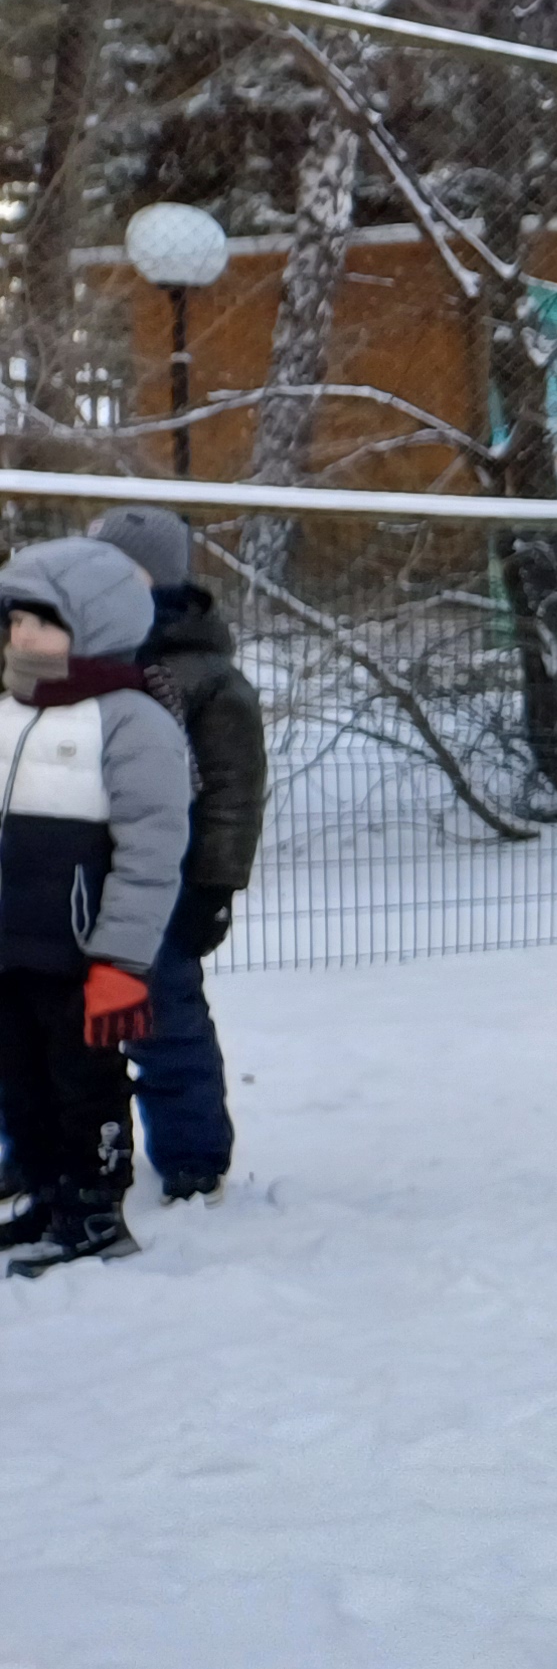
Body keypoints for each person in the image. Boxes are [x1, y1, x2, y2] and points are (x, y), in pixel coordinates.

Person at [0, 537, 190, 1273]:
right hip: (12, 943)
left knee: (83, 1087)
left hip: (83, 952)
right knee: (22, 1084)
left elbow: (151, 848)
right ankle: (47, 1197)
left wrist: (121, 959)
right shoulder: (12, 708)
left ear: (93, 622)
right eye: (16, 620)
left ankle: (94, 1211)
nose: (21, 635)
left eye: (40, 621)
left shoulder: (130, 719)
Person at [89, 505, 264, 1200]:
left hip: (165, 882)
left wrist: (215, 887)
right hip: (73, 877)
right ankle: (57, 1149)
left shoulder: (205, 676)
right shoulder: (75, 651)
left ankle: (193, 1156)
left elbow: (232, 793)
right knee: (58, 1026)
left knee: (163, 1020)